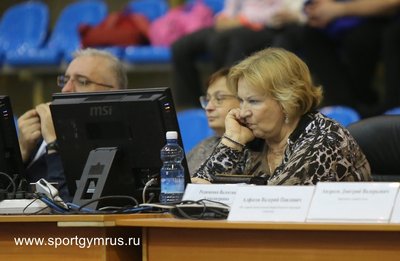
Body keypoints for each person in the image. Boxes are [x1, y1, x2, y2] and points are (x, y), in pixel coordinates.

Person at [192, 48, 372, 184]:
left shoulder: (326, 138)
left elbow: (277, 203)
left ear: (287, 101)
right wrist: (232, 141)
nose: (243, 112)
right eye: (241, 100)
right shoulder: (253, 139)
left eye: (253, 101)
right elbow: (198, 192)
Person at [17, 48, 127, 200]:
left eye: (82, 81)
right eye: (65, 80)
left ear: (114, 93)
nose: (66, 89)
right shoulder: (41, 133)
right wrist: (20, 153)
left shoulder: (114, 146)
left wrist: (54, 146)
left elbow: (71, 208)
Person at [171, 0, 307, 109]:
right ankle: (190, 108)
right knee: (180, 47)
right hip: (236, 22)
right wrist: (223, 18)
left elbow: (283, 12)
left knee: (220, 41)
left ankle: (226, 100)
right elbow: (231, 8)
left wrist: (242, 20)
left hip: (264, 25)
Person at [302, 0, 400, 116]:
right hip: (345, 21)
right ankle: (344, 110)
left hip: (378, 20)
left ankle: (387, 109)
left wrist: (338, 9)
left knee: (360, 40)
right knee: (309, 33)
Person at [186, 67, 240, 176]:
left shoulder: (253, 151)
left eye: (219, 99)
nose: (208, 107)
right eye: (207, 99)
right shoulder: (204, 145)